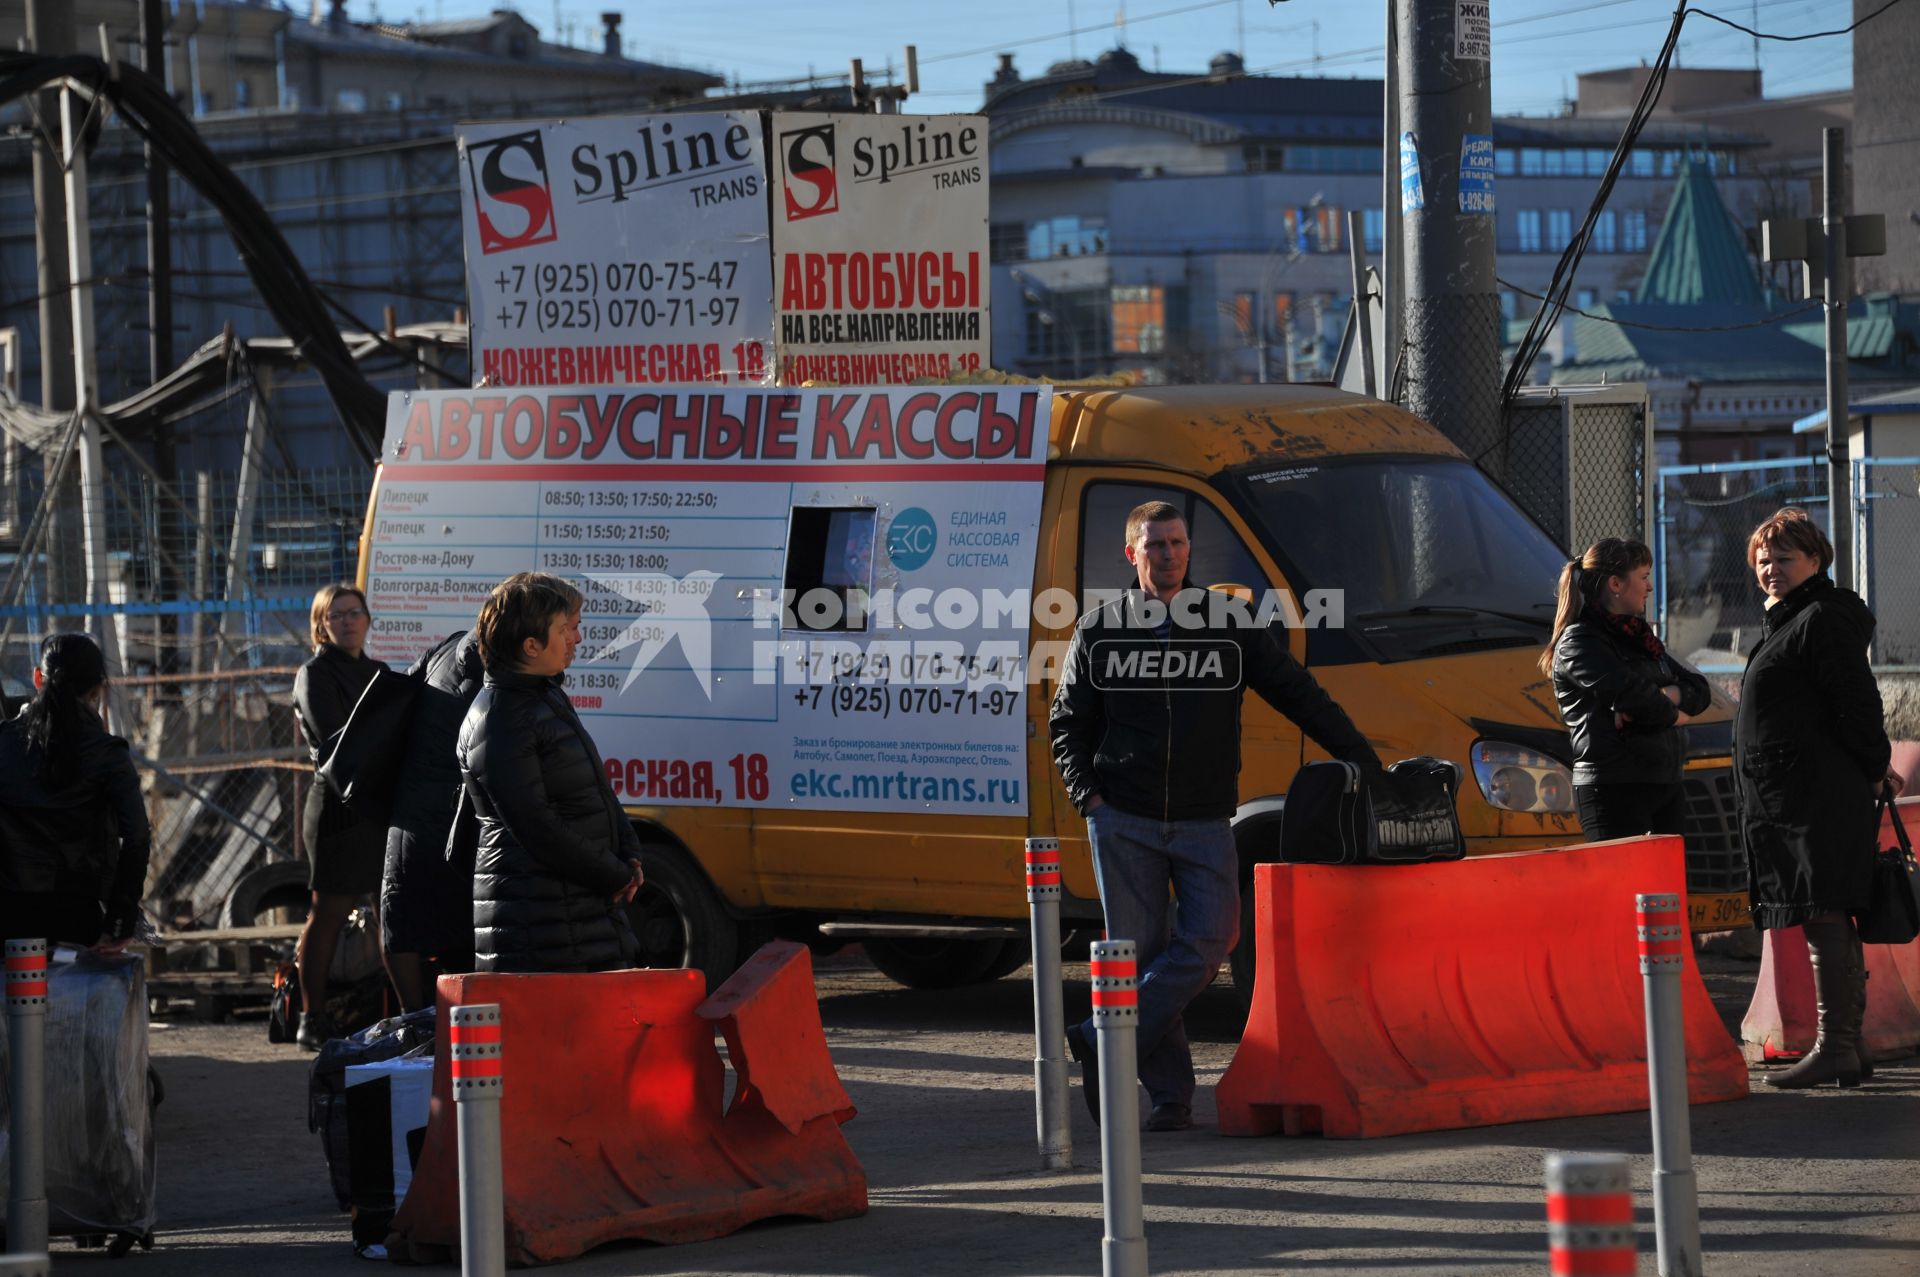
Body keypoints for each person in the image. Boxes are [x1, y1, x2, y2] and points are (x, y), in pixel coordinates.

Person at [1050, 500, 1381, 1132]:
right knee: (1140, 954)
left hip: (1204, 818)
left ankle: (1103, 1039)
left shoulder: (1227, 621)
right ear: (1132, 555)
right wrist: (1089, 797)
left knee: (1212, 938)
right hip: (1124, 817)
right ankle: (1172, 1098)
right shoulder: (1099, 629)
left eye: (1177, 543)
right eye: (1156, 546)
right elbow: (1068, 723)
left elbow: (1294, 689)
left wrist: (1359, 756)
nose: (1169, 554)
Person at [1736, 508, 1904, 1089]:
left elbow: (1857, 703)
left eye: (1784, 558)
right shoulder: (1794, 620)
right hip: (1799, 795)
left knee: (1825, 912)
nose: (1770, 569)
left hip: (1815, 797)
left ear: (1815, 561)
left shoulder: (1820, 619)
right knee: (1825, 914)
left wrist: (1875, 764)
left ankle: (1836, 1046)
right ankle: (1847, 1049)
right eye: (1763, 559)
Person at [458, 572, 645, 973]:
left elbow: (595, 788)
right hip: (538, 926)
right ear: (531, 646)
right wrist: (611, 874)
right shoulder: (500, 719)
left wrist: (628, 852)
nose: (576, 639)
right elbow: (536, 825)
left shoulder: (544, 697)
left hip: (575, 912)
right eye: (566, 629)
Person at [1542, 538, 1712, 840]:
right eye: (1644, 578)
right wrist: (1674, 713)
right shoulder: (1579, 642)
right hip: (1614, 789)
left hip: (1663, 783)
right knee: (1624, 885)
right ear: (1616, 584)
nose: (1649, 588)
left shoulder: (1640, 637)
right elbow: (1636, 699)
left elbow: (1699, 688)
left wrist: (1665, 697)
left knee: (1667, 887)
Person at [0, 633, 151, 953]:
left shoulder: (3, 744)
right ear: (98, 688)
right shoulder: (109, 754)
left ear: (37, 678)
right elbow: (136, 836)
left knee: (19, 1000)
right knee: (79, 999)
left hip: (9, 919)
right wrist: (120, 921)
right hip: (80, 919)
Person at [291, 583, 388, 1050]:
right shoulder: (315, 673)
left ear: (368, 619)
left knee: (390, 910)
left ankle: (408, 1012)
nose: (348, 621)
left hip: (378, 804)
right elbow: (332, 741)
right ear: (322, 625)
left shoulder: (379, 673)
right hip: (335, 807)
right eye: (337, 615)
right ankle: (312, 1015)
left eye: (355, 613)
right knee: (327, 911)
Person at [380, 629, 484, 1010]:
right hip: (460, 818)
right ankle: (443, 1024)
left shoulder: (448, 647)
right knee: (461, 930)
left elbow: (403, 693)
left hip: (413, 811)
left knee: (404, 920)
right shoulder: (498, 675)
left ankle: (416, 1021)